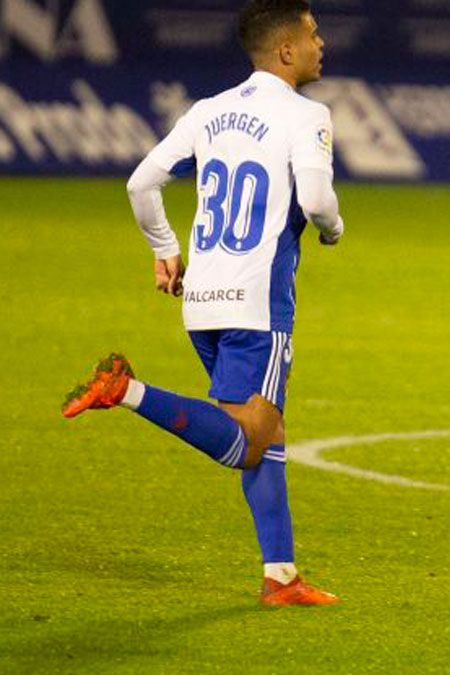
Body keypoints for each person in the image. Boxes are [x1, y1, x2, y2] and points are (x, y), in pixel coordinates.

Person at [62, 0, 345, 607]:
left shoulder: (208, 111)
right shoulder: (307, 114)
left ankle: (281, 577)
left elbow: (141, 182)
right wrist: (333, 229)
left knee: (268, 439)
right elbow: (318, 197)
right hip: (258, 302)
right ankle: (126, 390)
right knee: (249, 441)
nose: (322, 43)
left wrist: (165, 248)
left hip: (203, 301)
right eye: (313, 33)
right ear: (287, 50)